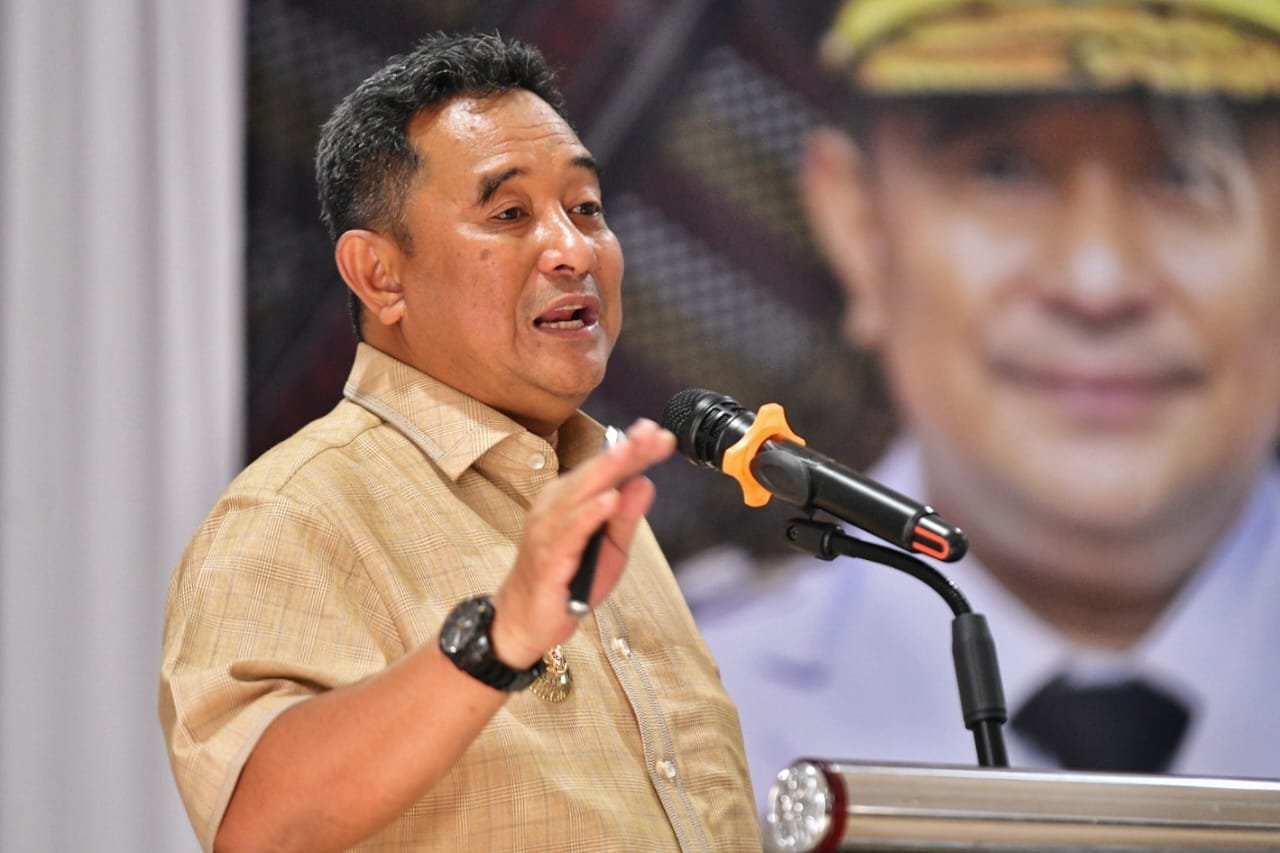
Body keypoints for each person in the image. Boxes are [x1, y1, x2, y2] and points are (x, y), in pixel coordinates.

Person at [158, 32, 759, 852]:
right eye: (509, 214)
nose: (573, 249)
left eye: (586, 208)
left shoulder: (600, 494)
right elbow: (260, 824)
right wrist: (498, 637)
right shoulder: (294, 513)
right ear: (380, 275)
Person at [686, 0, 1280, 810]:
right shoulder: (666, 717)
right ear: (861, 227)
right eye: (1001, 169)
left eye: (1185, 173)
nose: (1098, 282)